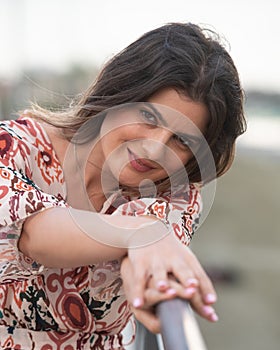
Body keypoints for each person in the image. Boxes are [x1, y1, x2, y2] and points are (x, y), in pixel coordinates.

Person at [0, 22, 246, 349]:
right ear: (118, 94)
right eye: (148, 116)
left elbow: (136, 265)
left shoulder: (174, 193)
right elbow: (30, 233)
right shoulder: (15, 148)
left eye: (182, 140)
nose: (155, 149)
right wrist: (141, 234)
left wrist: (149, 265)